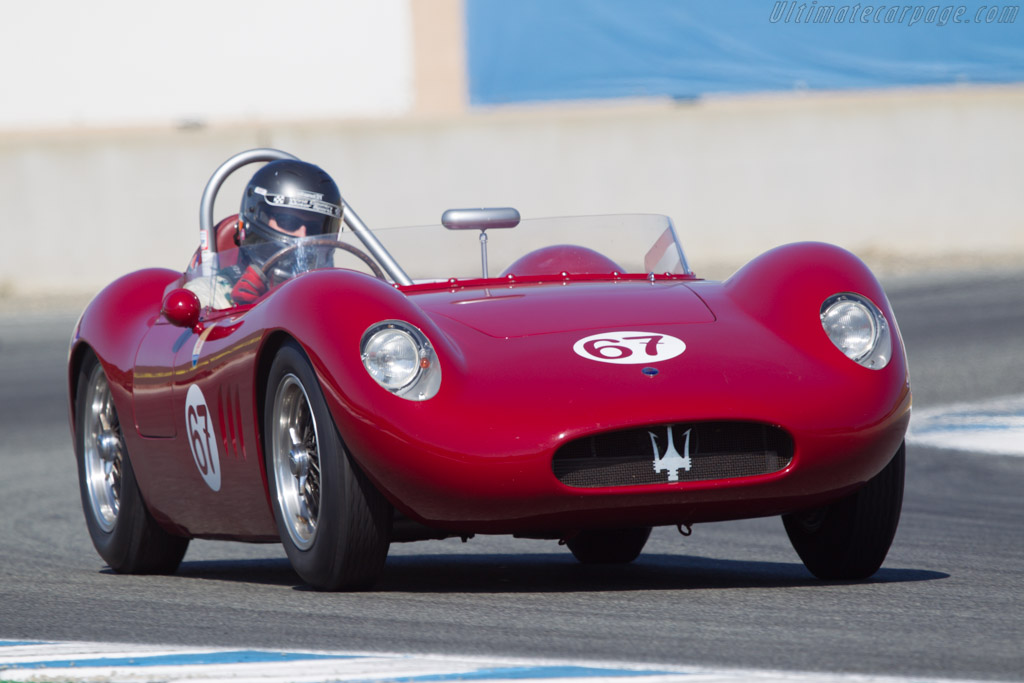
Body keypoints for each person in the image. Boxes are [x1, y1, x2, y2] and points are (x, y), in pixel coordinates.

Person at [186, 159, 343, 307]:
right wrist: (244, 312)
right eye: (288, 221)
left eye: (315, 229)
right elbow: (190, 314)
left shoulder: (335, 296)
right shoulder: (211, 293)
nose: (303, 236)